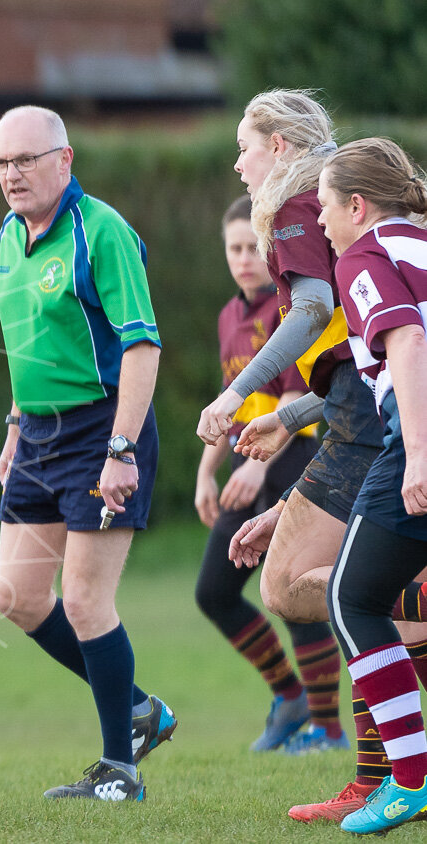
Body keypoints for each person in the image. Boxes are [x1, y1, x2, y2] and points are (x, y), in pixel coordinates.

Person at [209, 90, 427, 823]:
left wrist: (238, 395)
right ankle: (382, 775)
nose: (237, 162)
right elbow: (364, 356)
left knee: (315, 591)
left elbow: (343, 326)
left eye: (244, 145)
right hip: (362, 417)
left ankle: (395, 775)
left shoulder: (310, 210)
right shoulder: (391, 235)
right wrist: (296, 414)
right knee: (348, 595)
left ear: (279, 146)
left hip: (387, 430)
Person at [0, 105, 174, 802]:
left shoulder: (102, 231)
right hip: (37, 438)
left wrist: (121, 448)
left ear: (65, 160)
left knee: (87, 600)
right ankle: (141, 711)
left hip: (102, 432)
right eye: (2, 163)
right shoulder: (8, 235)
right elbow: (23, 344)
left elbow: (143, 345)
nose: (12, 175)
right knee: (18, 597)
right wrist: (13, 429)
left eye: (26, 160)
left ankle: (119, 769)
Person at [193, 196, 341, 754]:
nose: (244, 258)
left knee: (293, 589)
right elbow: (234, 407)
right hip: (243, 464)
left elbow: (296, 391)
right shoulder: (229, 317)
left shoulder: (291, 304)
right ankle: (289, 696)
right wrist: (209, 472)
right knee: (214, 590)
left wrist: (259, 471)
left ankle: (326, 729)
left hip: (290, 459)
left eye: (253, 246)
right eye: (233, 248)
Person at [309, 136, 427, 834]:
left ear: (356, 205)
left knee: (353, 599)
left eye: (325, 205)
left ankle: (409, 781)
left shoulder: (364, 255)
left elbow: (407, 342)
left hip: (416, 438)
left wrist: (417, 453)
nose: (321, 222)